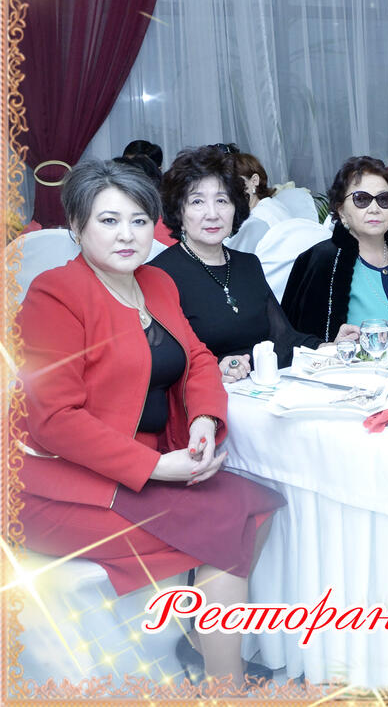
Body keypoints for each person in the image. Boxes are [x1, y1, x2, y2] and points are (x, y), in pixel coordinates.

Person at [14, 160, 285, 687]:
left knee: (259, 506)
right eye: (109, 221)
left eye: (139, 221)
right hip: (59, 482)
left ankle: (201, 647)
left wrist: (204, 418)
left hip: (146, 462)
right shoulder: (55, 294)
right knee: (228, 524)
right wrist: (156, 467)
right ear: (77, 227)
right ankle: (226, 685)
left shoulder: (155, 282)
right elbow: (53, 420)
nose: (127, 235)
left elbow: (199, 360)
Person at [151, 147, 355, 379]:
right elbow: (165, 362)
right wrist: (215, 368)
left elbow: (283, 338)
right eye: (197, 201)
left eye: (222, 200)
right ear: (179, 211)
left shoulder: (248, 264)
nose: (212, 214)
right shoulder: (160, 275)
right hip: (207, 394)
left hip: (258, 390)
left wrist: (327, 347)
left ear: (236, 207)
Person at [282, 156, 388, 342]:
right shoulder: (322, 261)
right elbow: (297, 341)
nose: (374, 209)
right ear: (341, 211)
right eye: (361, 199)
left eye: (384, 199)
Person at [226, 152, 291, 252]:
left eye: (235, 183)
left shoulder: (257, 219)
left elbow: (231, 255)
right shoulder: (273, 204)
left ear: (254, 180)